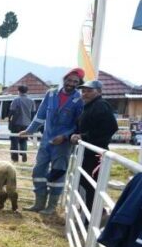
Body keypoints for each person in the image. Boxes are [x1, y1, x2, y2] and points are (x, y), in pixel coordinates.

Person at [19, 68, 85, 214]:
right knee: (38, 170)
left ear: (79, 83)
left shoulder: (80, 100)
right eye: (69, 80)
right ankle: (39, 203)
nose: (71, 83)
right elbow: (40, 115)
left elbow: (79, 124)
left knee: (58, 173)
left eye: (75, 81)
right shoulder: (51, 94)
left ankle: (51, 206)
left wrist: (65, 136)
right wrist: (29, 130)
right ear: (64, 79)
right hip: (46, 140)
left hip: (63, 144)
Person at [69, 80, 118, 215]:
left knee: (91, 184)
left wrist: (83, 137)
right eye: (83, 91)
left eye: (89, 91)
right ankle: (91, 212)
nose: (85, 94)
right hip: (88, 152)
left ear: (99, 92)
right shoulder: (89, 106)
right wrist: (77, 136)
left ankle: (93, 215)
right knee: (85, 183)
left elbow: (111, 127)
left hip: (96, 153)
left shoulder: (101, 105)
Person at [9, 85, 36, 163]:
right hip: (27, 124)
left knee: (14, 141)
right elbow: (33, 113)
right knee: (23, 140)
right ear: (27, 91)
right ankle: (24, 154)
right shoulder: (31, 101)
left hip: (16, 124)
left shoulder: (16, 100)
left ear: (19, 91)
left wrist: (10, 122)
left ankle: (15, 158)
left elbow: (11, 112)